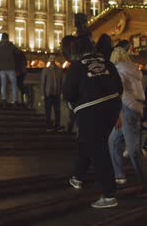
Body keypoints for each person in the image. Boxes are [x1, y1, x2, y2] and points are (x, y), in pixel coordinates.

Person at [63, 35, 123, 209]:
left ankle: (109, 194)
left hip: (90, 109)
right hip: (112, 106)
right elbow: (119, 88)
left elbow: (68, 93)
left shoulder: (76, 67)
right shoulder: (106, 62)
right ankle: (78, 177)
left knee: (98, 150)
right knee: (89, 142)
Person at [108, 46, 147, 193]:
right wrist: (137, 107)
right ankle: (119, 175)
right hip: (135, 107)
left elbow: (121, 93)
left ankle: (143, 181)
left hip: (126, 109)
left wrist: (128, 107)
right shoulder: (133, 69)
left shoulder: (117, 70)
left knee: (133, 150)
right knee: (114, 141)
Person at [0, 32, 18, 108]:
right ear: (7, 38)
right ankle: (15, 101)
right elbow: (17, 55)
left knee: (3, 85)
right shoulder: (11, 46)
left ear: (1, 38)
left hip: (2, 68)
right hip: (11, 68)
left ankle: (4, 100)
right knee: (14, 85)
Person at [41, 54, 64, 132]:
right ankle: (48, 126)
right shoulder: (46, 70)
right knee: (48, 111)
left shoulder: (59, 70)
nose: (52, 59)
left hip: (56, 93)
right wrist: (42, 94)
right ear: (49, 60)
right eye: (51, 58)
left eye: (54, 58)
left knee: (57, 111)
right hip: (48, 93)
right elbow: (43, 83)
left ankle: (57, 125)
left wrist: (61, 93)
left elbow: (61, 83)